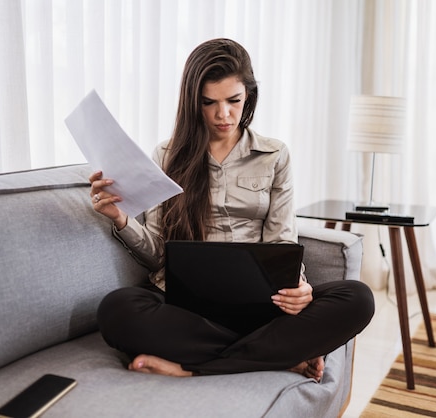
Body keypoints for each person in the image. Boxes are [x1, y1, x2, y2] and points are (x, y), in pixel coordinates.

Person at [90, 38, 374, 381]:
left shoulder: (274, 155)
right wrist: (121, 219)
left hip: (262, 306)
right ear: (193, 102)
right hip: (188, 310)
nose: (222, 115)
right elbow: (157, 256)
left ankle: (189, 368)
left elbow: (282, 242)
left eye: (233, 101)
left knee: (357, 297)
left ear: (248, 97)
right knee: (116, 310)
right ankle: (275, 356)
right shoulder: (167, 155)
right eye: (209, 103)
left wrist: (299, 287)